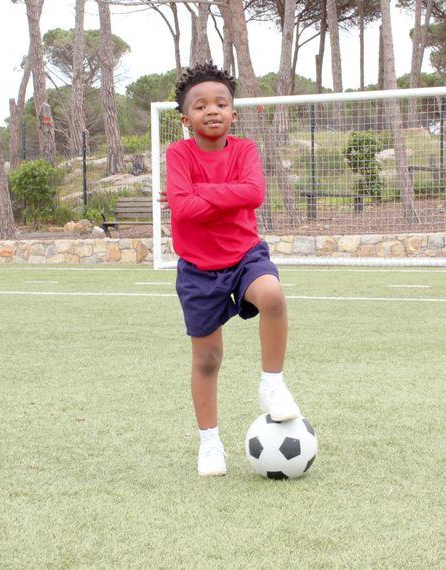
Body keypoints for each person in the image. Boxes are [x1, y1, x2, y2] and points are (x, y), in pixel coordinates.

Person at [162, 62, 302, 477]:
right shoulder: (177, 153)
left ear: (233, 113)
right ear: (186, 119)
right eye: (201, 105)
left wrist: (197, 192)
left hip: (245, 258)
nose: (212, 110)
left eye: (221, 103)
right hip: (198, 270)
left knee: (273, 295)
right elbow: (182, 208)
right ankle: (210, 444)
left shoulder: (244, 150)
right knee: (207, 359)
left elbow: (254, 193)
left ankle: (272, 385)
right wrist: (218, 196)